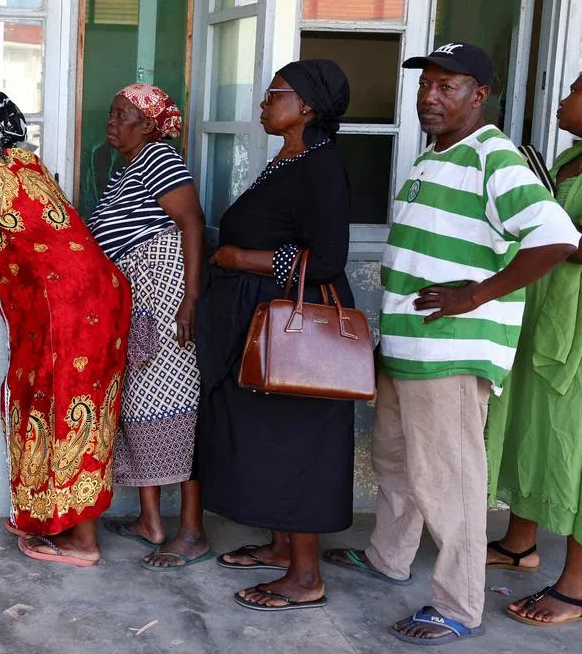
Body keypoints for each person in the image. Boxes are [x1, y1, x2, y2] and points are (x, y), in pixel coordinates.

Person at [325, 42, 578, 645]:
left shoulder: (495, 158)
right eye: (426, 86)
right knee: (396, 464)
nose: (430, 98)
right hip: (409, 344)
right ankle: (389, 557)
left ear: (479, 95)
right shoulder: (431, 159)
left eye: (448, 87)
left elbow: (557, 236)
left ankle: (460, 604)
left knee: (450, 480)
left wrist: (478, 294)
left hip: (454, 350)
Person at [0, 92, 131, 567]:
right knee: (78, 411)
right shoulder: (31, 168)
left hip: (61, 308)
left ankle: (82, 542)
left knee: (60, 412)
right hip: (100, 296)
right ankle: (45, 516)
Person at [194, 60, 355, 609]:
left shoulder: (322, 165)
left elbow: (329, 258)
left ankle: (306, 576)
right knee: (268, 435)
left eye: (273, 95)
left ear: (306, 105)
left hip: (295, 326)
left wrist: (243, 257)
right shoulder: (291, 159)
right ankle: (283, 547)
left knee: (295, 440)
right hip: (262, 316)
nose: (263, 105)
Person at [86, 84, 208, 570]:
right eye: (112, 114)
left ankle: (192, 530)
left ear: (150, 124)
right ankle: (150, 521)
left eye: (122, 115)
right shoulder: (128, 167)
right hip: (137, 304)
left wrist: (191, 301)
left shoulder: (160, 158)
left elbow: (192, 223)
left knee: (174, 410)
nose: (111, 123)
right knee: (138, 410)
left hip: (165, 301)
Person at [485, 72, 582, 627]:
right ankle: (520, 543)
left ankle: (575, 583)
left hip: (576, 323)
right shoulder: (573, 155)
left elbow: (571, 241)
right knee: (531, 427)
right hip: (540, 310)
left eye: (575, 93)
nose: (563, 101)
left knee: (573, 443)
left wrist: (549, 219)